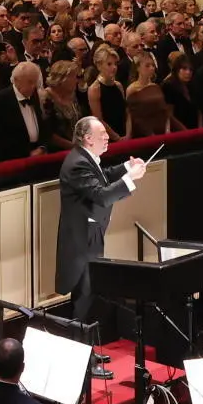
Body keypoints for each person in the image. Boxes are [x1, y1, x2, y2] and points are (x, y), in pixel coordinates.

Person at [56, 116, 137, 321]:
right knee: (84, 299)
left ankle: (87, 349)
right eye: (102, 134)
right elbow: (101, 195)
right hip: (81, 241)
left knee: (89, 297)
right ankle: (81, 349)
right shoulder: (78, 163)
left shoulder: (85, 158)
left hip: (90, 236)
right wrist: (130, 179)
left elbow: (103, 176)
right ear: (88, 138)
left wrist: (127, 167)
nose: (107, 137)